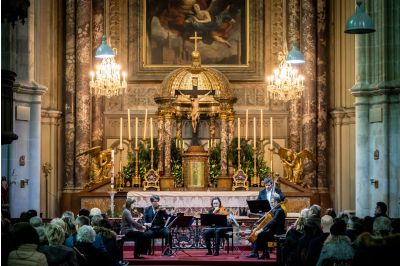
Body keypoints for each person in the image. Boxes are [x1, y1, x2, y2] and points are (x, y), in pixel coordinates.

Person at [247, 195, 286, 259]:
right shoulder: (275, 210)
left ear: (276, 202)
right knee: (257, 232)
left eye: (272, 202)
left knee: (260, 234)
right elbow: (269, 222)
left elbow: (272, 222)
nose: (271, 203)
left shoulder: (279, 210)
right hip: (272, 231)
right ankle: (256, 252)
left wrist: (261, 229)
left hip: (277, 233)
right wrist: (260, 228)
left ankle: (264, 253)